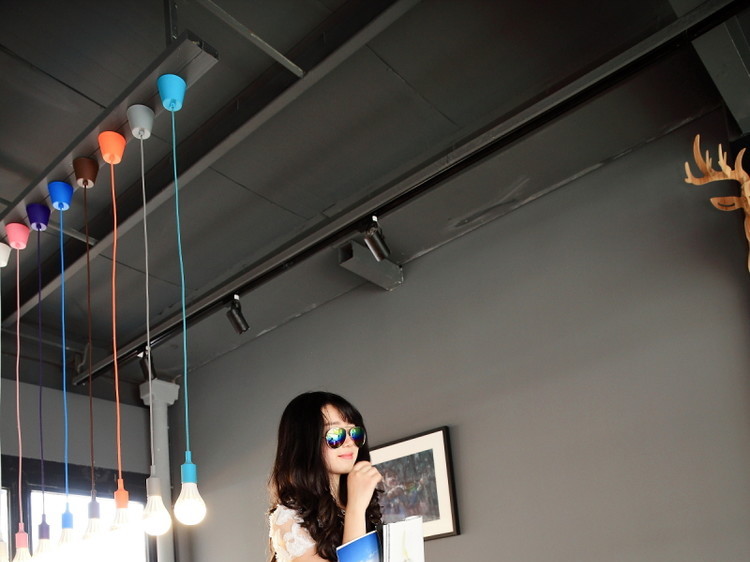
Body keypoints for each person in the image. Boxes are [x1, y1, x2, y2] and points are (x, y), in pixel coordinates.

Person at [268, 392, 382, 562]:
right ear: (306, 442)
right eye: (335, 434)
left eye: (355, 433)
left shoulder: (358, 503)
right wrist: (356, 508)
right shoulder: (289, 517)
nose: (350, 442)